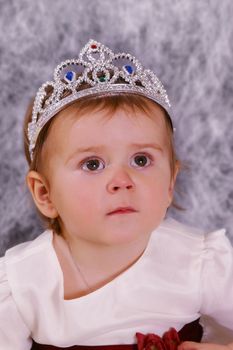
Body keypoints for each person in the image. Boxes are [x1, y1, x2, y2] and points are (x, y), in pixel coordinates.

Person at [0, 39, 232, 350]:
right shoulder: (23, 284)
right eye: (92, 164)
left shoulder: (197, 262)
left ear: (170, 184)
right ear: (45, 194)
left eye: (141, 160)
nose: (122, 181)